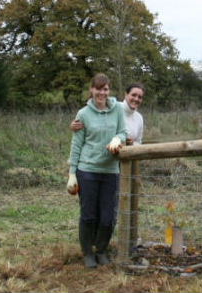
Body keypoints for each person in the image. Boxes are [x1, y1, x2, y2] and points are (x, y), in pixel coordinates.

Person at [66, 73, 127, 268]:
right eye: (98, 89)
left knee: (108, 216)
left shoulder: (117, 109)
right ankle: (87, 253)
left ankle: (101, 250)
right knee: (89, 214)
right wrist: (72, 173)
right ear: (91, 90)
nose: (102, 92)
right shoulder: (83, 114)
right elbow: (77, 144)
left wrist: (118, 139)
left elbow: (123, 131)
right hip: (88, 170)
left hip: (110, 170)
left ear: (109, 91)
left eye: (105, 89)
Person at [70, 83, 145, 145]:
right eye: (133, 95)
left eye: (140, 97)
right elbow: (93, 119)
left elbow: (138, 142)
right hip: (105, 157)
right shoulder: (113, 107)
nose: (136, 99)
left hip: (128, 159)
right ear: (126, 94)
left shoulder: (139, 118)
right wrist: (75, 125)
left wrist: (131, 144)